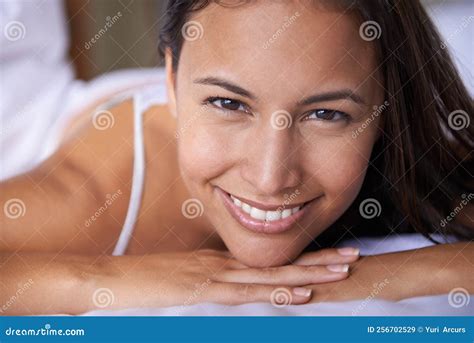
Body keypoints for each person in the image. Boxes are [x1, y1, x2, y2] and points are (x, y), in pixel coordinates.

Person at [1, 0, 472, 315]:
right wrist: (101, 277)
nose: (270, 178)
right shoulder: (93, 199)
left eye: (326, 114)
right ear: (169, 80)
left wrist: (374, 276)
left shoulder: (404, 148)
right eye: (229, 104)